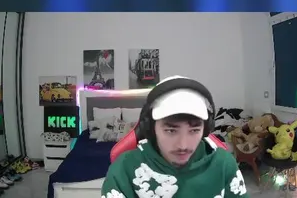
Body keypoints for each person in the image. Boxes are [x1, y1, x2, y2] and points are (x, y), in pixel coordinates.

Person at [101, 76, 246, 198]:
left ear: (206, 128)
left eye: (194, 130)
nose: (183, 145)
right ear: (151, 127)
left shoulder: (224, 164)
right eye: (171, 131)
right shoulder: (124, 169)